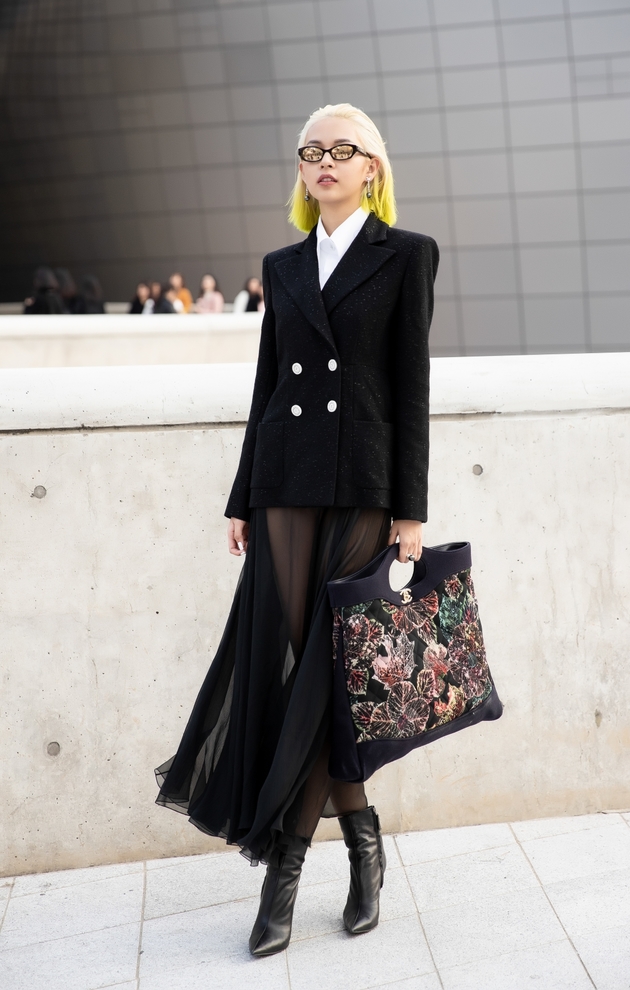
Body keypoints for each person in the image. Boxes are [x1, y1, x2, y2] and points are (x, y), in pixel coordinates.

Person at [155, 103, 438, 958]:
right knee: (309, 670)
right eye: (312, 150)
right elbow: (268, 385)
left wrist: (411, 510)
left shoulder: (407, 254)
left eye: (343, 150)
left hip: (362, 485)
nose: (325, 162)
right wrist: (241, 496)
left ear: (371, 168)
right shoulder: (282, 266)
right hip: (284, 481)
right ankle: (364, 844)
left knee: (324, 669)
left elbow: (412, 388)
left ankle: (282, 870)